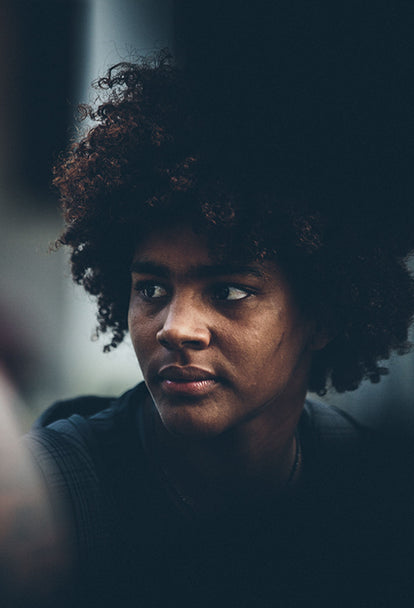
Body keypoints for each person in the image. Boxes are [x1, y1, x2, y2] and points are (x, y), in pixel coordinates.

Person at [25, 54, 414, 607]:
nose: (177, 328)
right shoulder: (50, 504)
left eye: (230, 291)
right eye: (153, 289)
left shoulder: (380, 497)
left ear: (323, 314)